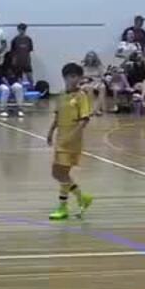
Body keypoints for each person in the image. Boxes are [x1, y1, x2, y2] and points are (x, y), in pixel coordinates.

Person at [47, 63, 95, 220]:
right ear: (65, 77)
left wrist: (72, 136)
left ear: (80, 78)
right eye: (70, 76)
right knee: (59, 173)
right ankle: (82, 198)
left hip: (72, 141)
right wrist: (50, 131)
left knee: (61, 173)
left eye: (76, 76)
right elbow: (57, 115)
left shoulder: (81, 96)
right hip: (60, 138)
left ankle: (63, 207)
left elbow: (84, 120)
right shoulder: (61, 95)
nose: (73, 79)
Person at [0, 51, 28, 118]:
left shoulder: (18, 67)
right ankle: (3, 109)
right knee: (6, 89)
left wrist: (21, 85)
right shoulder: (1, 67)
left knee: (18, 87)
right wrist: (8, 86)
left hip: (13, 84)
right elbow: (2, 78)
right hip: (2, 85)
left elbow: (19, 78)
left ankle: (20, 108)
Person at [81, 51, 106, 116]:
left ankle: (97, 109)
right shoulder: (83, 66)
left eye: (92, 56)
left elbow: (102, 77)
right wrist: (87, 78)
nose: (90, 58)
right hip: (86, 82)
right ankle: (91, 109)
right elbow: (80, 77)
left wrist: (96, 79)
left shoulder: (99, 66)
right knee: (89, 88)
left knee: (103, 87)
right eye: (89, 56)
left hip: (97, 81)